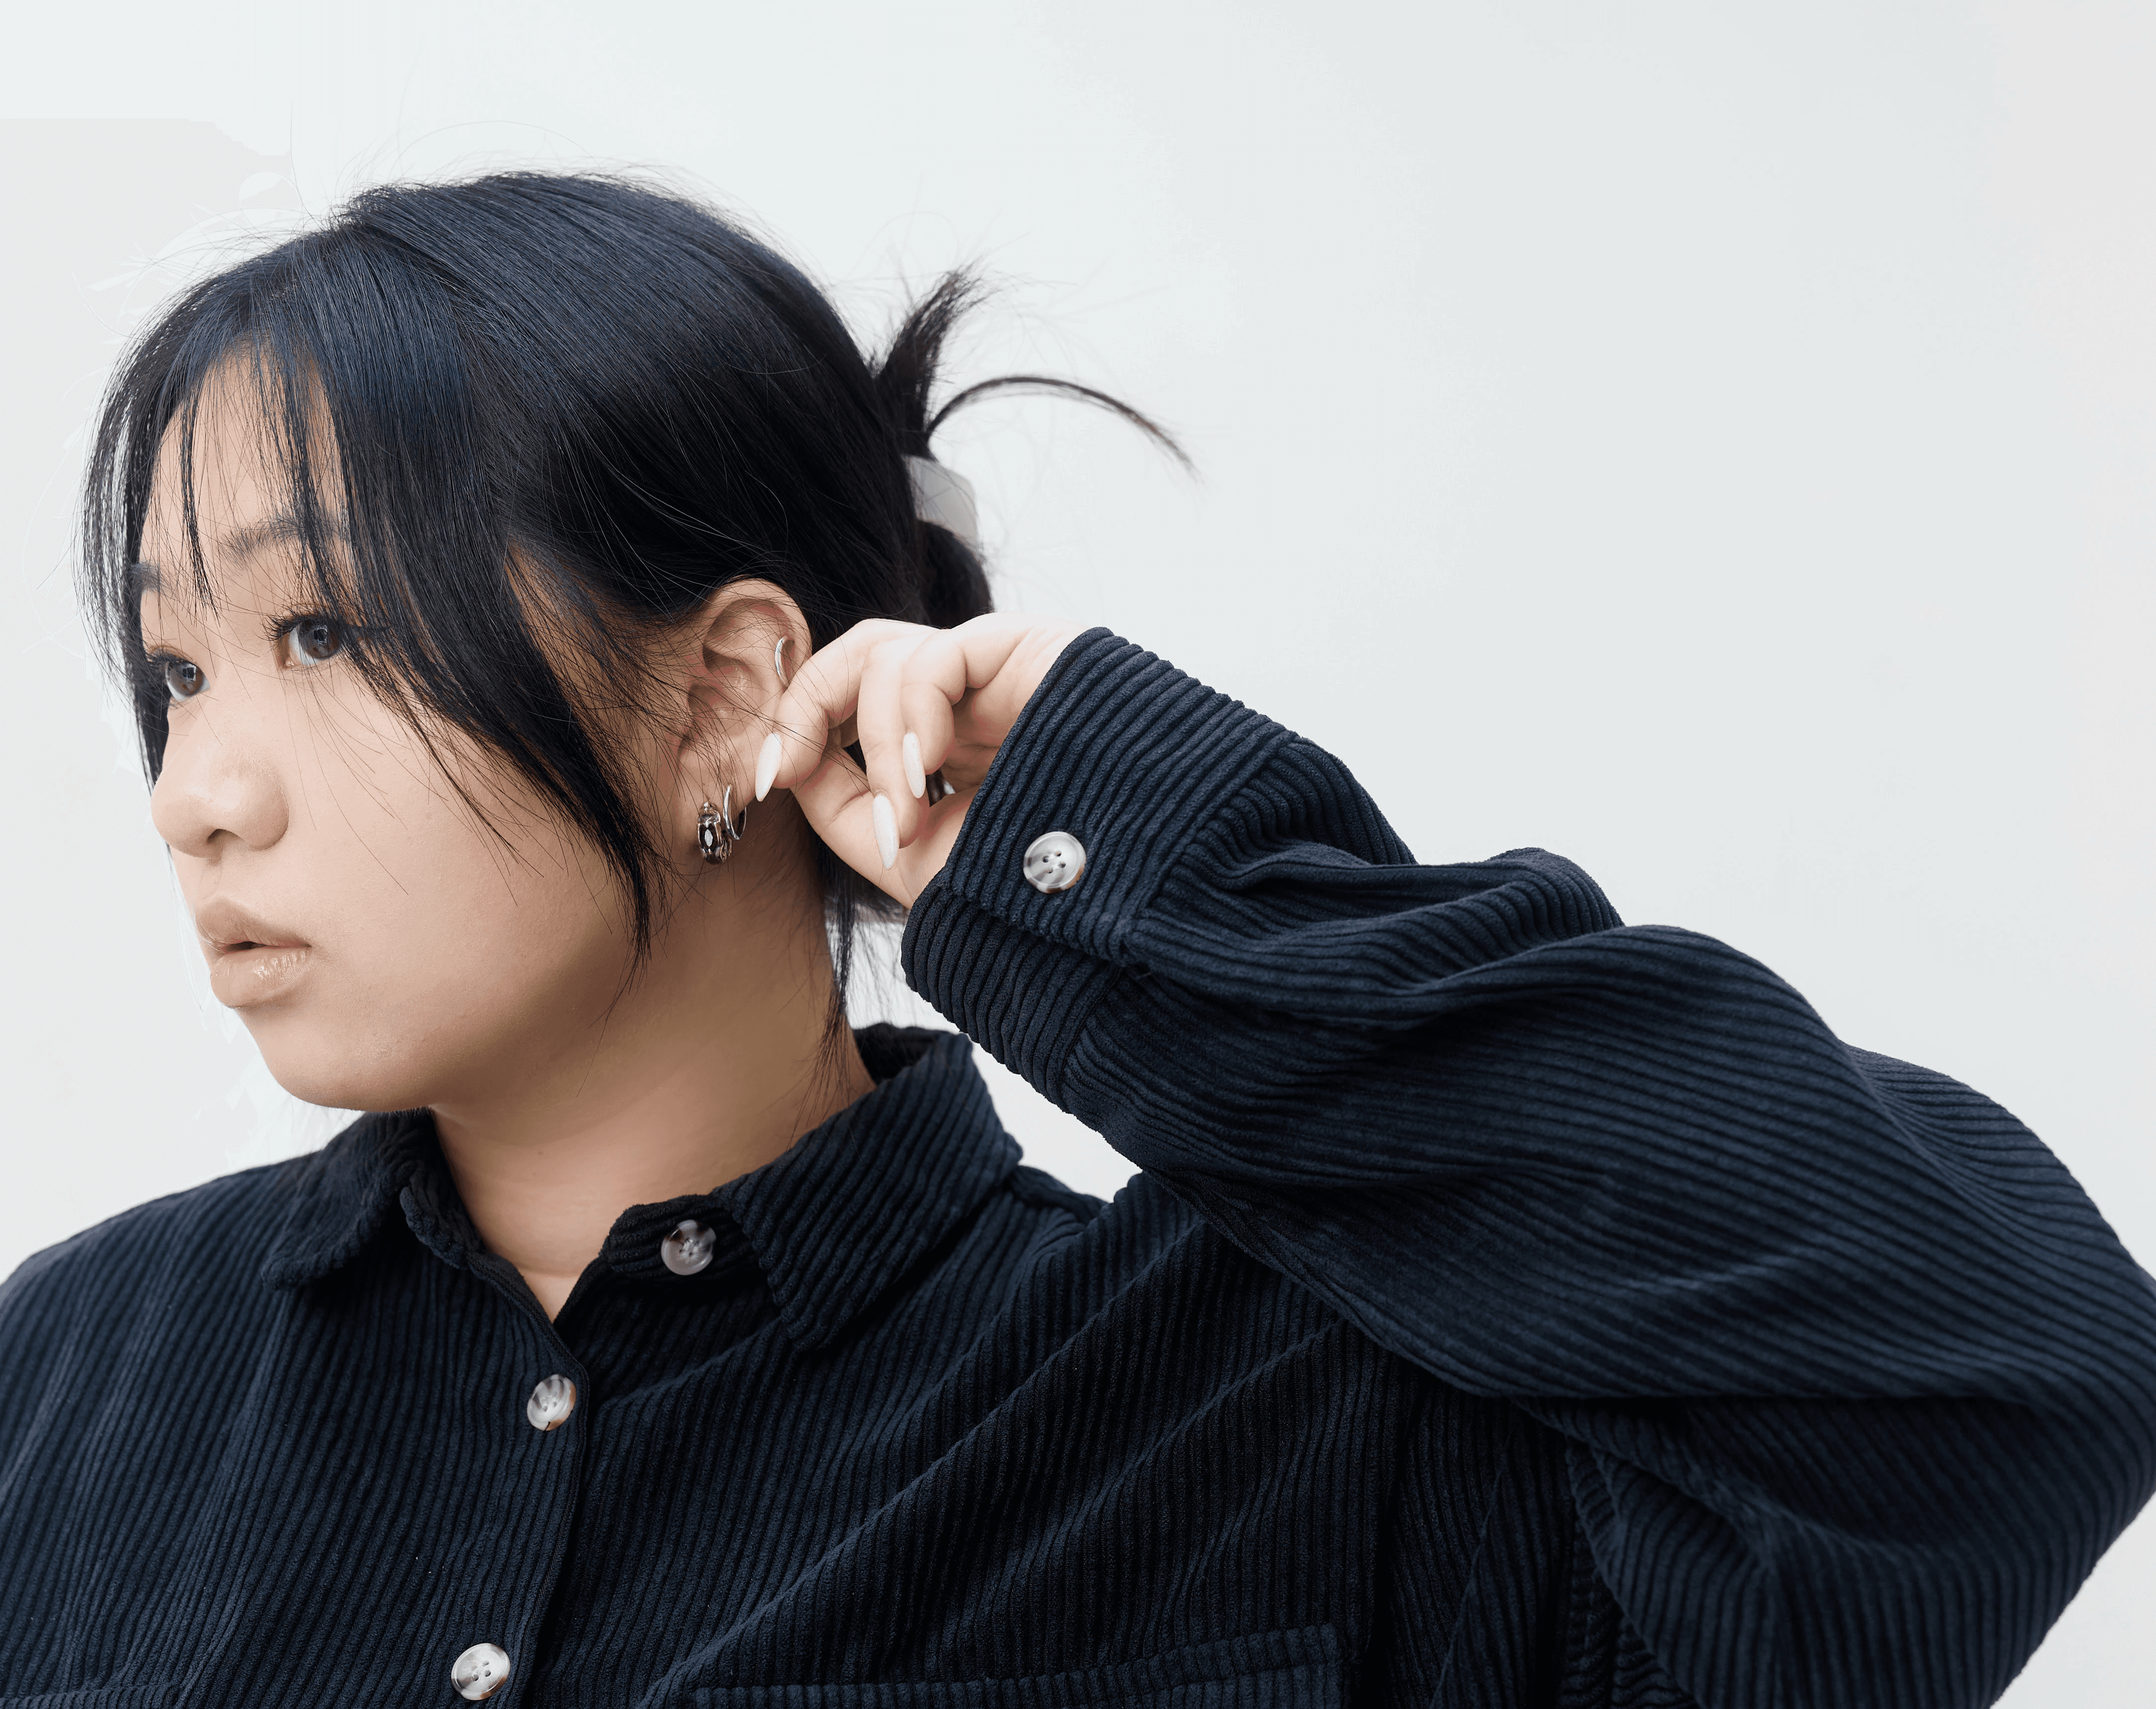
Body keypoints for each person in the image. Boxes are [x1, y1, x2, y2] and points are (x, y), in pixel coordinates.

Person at [1, 171, 2150, 1709]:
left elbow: (2004, 1370)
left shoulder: (1282, 1417)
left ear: (722, 694)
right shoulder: (64, 1386)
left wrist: (1127, 851)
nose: (203, 783)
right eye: (178, 671)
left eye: (321, 630)